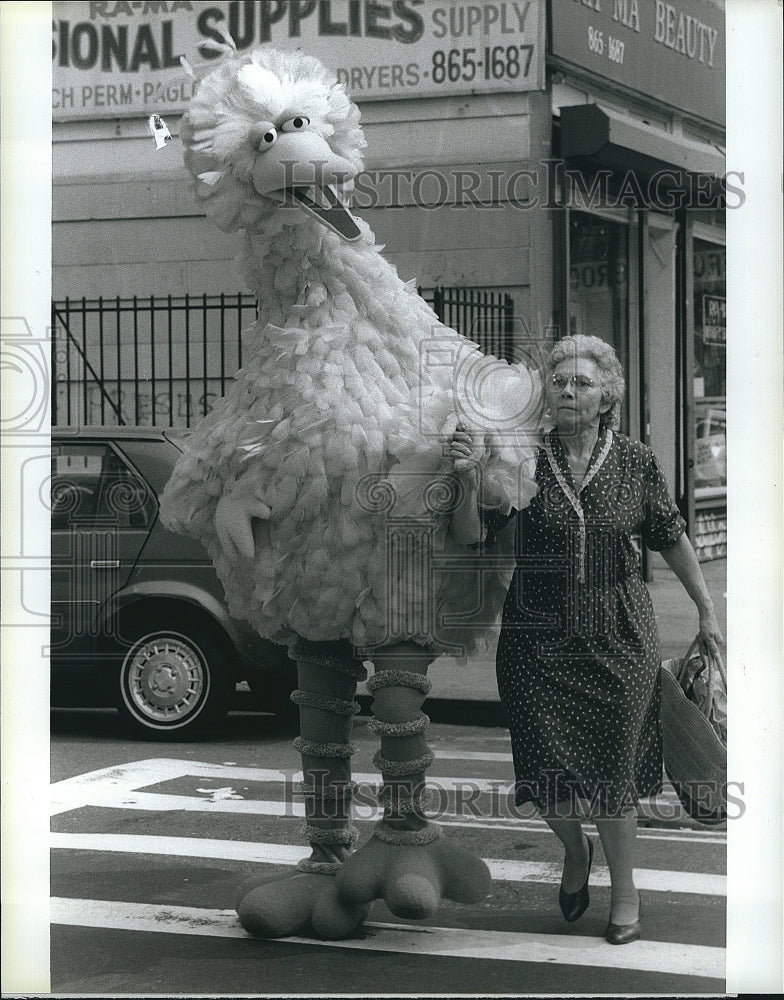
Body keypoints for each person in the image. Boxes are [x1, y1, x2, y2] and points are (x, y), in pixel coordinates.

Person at [447, 334, 724, 945]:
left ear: (607, 397)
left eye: (583, 383)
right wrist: (467, 477)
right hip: (536, 637)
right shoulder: (522, 458)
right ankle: (575, 850)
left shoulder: (635, 462)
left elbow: (671, 534)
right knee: (545, 770)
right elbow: (470, 537)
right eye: (560, 381)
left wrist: (706, 608)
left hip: (620, 636)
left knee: (613, 774)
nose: (569, 391)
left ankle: (625, 897)